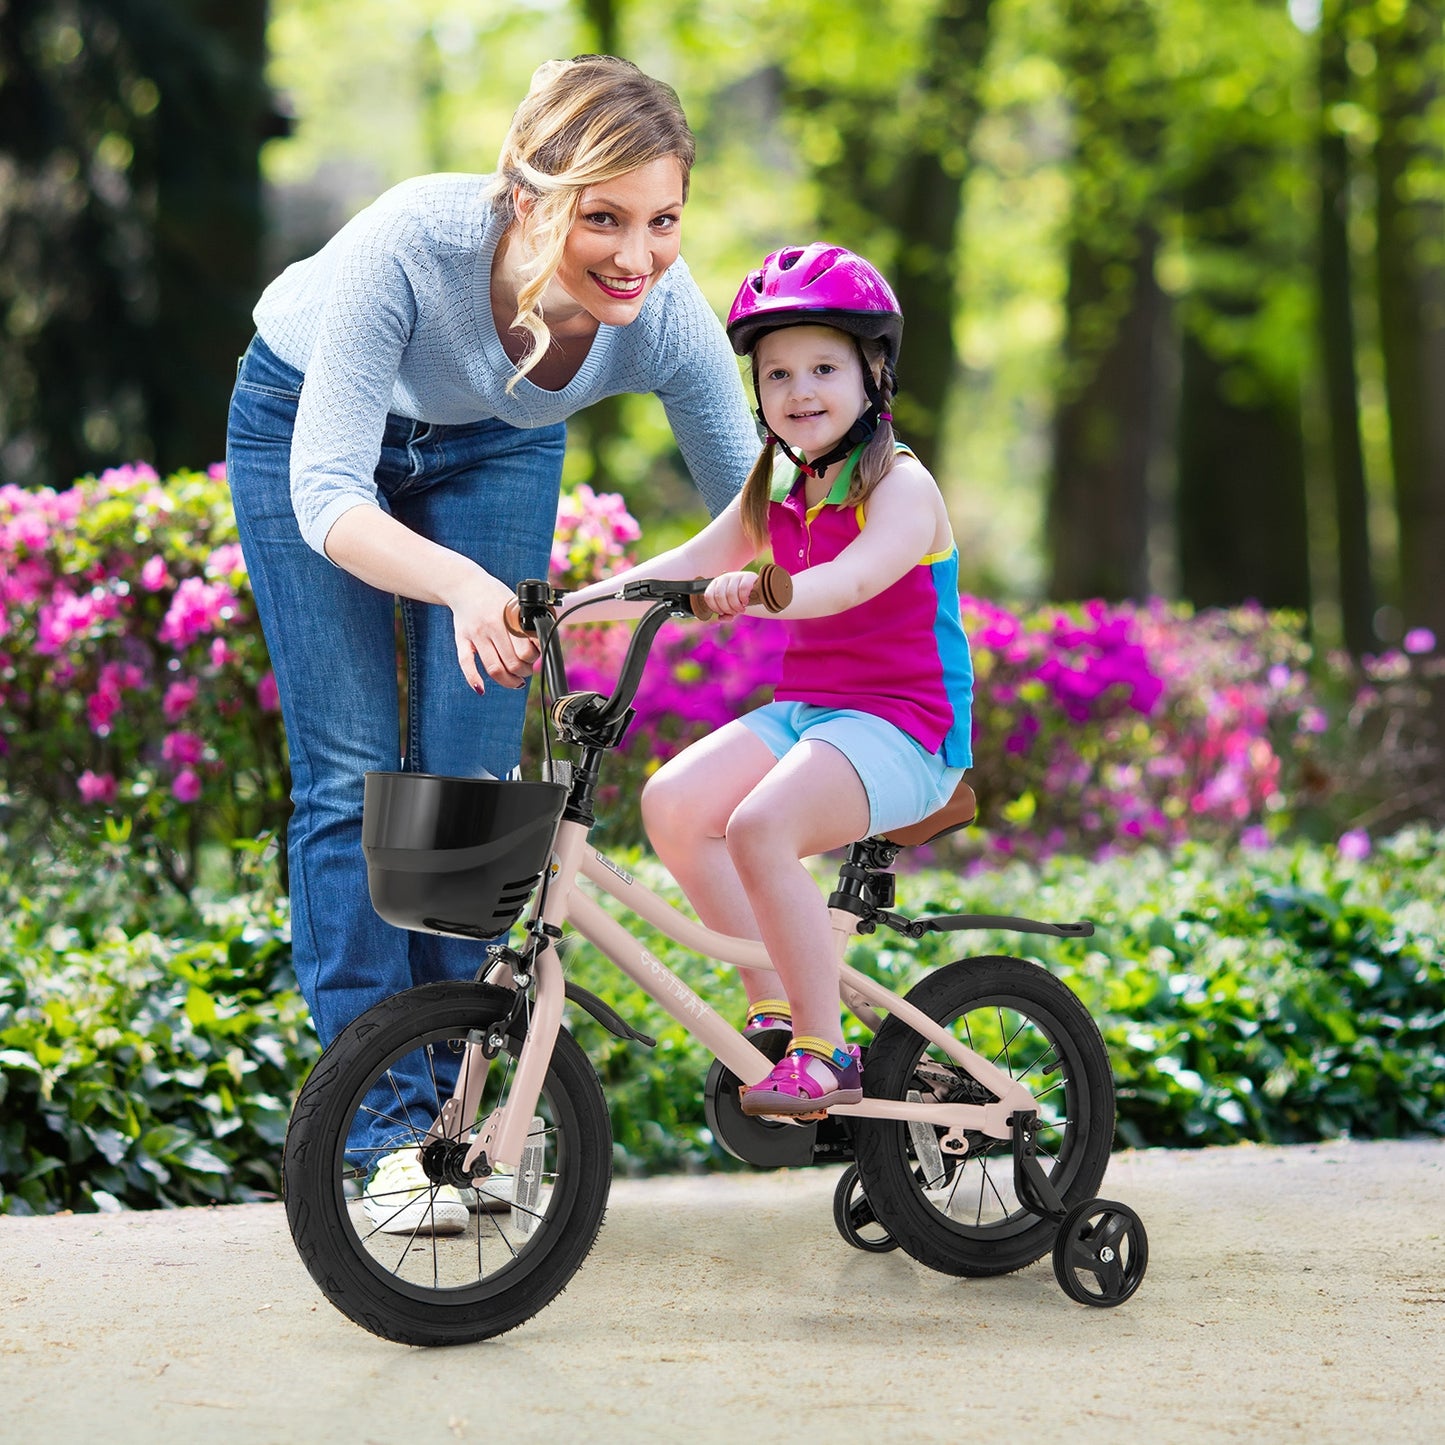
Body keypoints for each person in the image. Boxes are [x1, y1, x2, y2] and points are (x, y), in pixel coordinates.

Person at [225, 55, 759, 1233]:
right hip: (303, 428)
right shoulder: (407, 243)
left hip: (499, 448)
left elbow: (768, 495)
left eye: (663, 219)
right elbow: (327, 492)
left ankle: (450, 1116)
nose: (637, 255)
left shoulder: (661, 315)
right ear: (528, 197)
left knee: (467, 781)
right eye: (603, 218)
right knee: (355, 769)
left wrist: (884, 549)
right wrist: (465, 588)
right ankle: (381, 1128)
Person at [563, 243, 974, 1117]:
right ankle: (775, 1013)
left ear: (873, 373)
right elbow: (680, 566)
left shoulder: (901, 485)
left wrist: (766, 592)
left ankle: (826, 1053)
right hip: (814, 715)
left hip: (905, 726)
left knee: (759, 826)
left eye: (823, 366)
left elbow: (855, 578)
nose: (800, 391)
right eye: (777, 373)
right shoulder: (777, 484)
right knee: (673, 803)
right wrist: (564, 609)